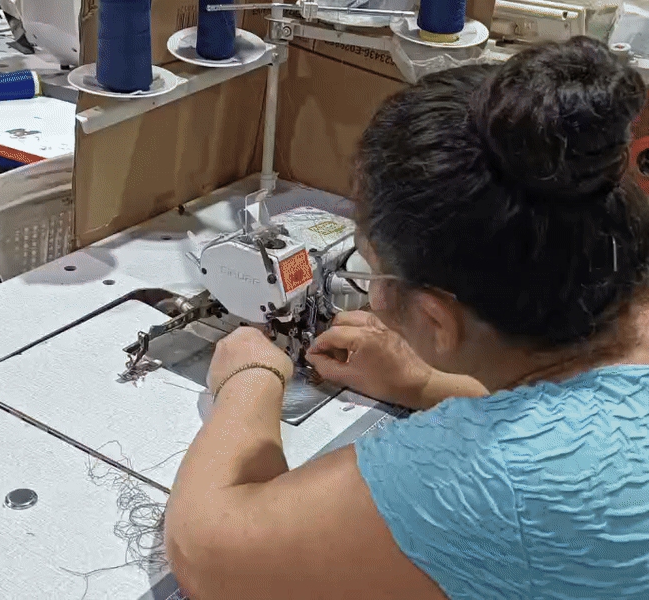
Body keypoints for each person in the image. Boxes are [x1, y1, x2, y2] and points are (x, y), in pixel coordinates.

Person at [164, 36, 649, 599]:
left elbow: (208, 554)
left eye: (371, 275)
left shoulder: (493, 476)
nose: (372, 295)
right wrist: (425, 381)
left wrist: (249, 378)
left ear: (437, 320)